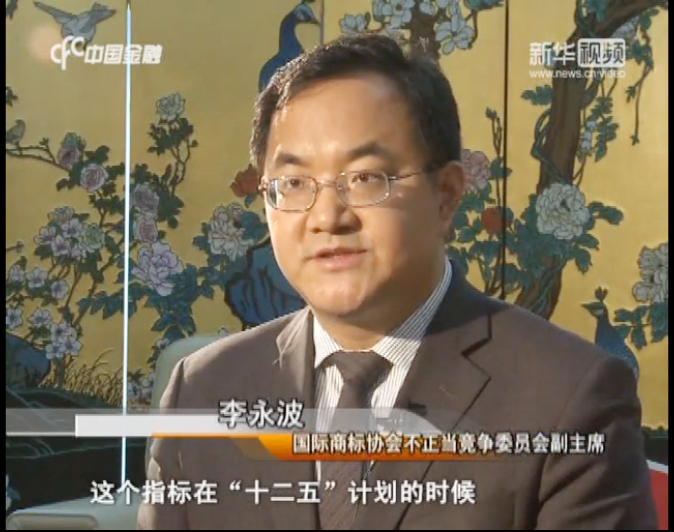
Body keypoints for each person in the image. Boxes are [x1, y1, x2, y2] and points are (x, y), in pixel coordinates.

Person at [137, 33, 657, 530]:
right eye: (293, 183)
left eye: (365, 178)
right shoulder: (203, 390)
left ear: (446, 194)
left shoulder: (568, 397)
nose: (327, 217)